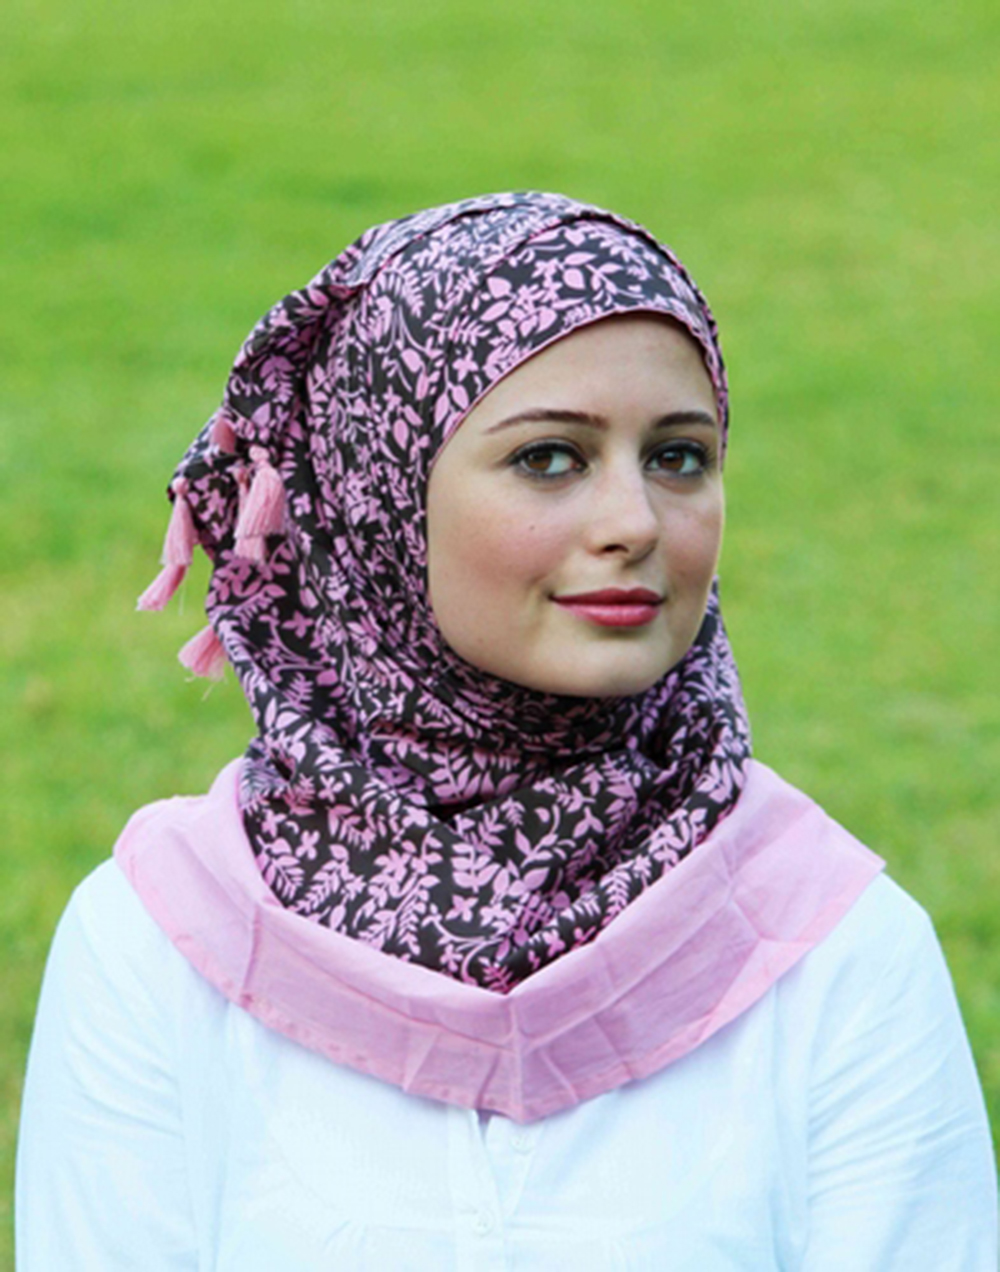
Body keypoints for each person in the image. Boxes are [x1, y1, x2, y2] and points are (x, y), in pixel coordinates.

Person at [16, 192, 998, 1269]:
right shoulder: (163, 943)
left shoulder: (830, 946)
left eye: (678, 457)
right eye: (549, 458)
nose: (634, 523)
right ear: (379, 492)